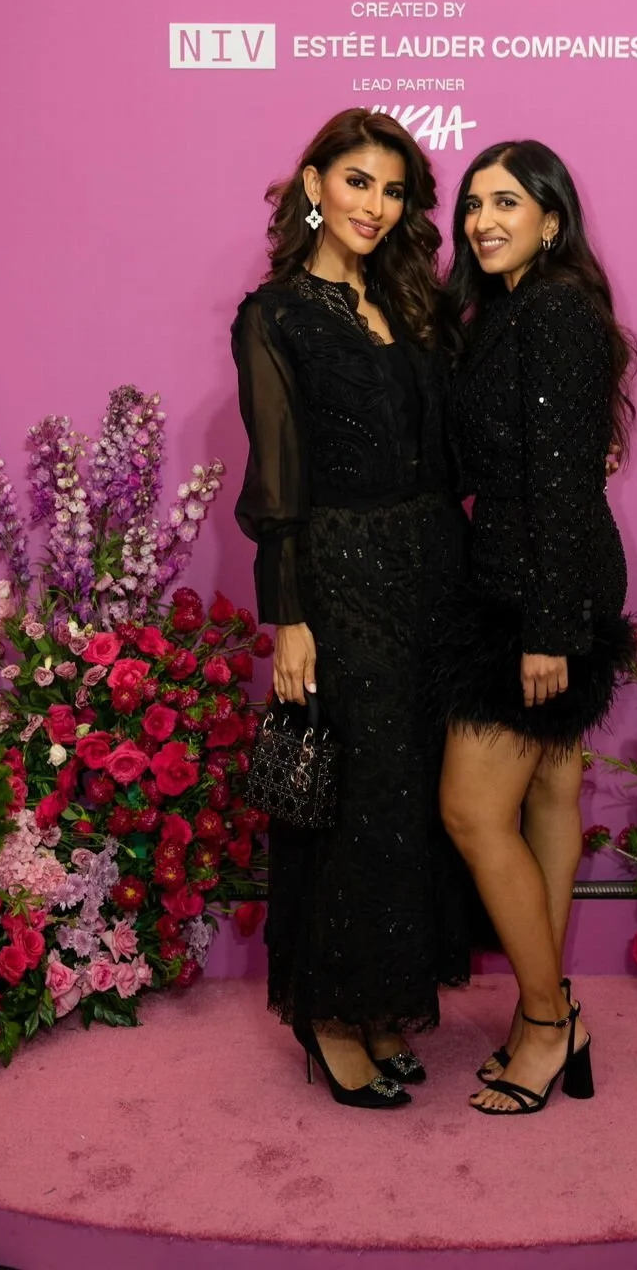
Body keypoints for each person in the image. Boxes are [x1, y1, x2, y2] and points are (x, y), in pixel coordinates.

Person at [231, 108, 469, 1110]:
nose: (377, 206)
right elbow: (278, 477)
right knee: (353, 798)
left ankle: (381, 1003)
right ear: (314, 183)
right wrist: (291, 617)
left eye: (394, 189)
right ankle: (329, 1020)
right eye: (359, 182)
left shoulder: (413, 301)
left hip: (431, 571)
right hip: (340, 572)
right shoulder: (275, 314)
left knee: (414, 795)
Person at [435, 139, 637, 1116]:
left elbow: (558, 481)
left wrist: (549, 629)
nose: (483, 220)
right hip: (535, 576)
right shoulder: (506, 312)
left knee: (475, 811)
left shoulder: (552, 311)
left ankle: (549, 1021)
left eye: (507, 202)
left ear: (551, 220)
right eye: (474, 203)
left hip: (537, 594)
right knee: (551, 793)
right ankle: (546, 1013)